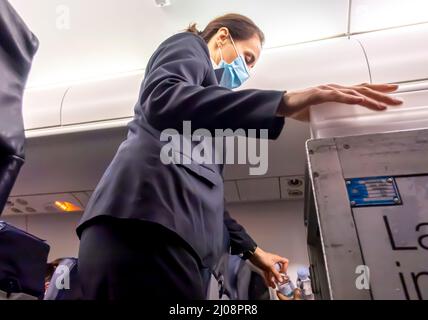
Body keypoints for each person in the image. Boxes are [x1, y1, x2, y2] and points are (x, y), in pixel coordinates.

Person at [76, 13, 402, 300]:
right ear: (221, 37)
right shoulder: (189, 46)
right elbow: (163, 99)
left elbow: (212, 204)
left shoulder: (207, 123)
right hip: (144, 230)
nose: (245, 71)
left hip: (172, 239)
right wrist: (283, 102)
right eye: (247, 58)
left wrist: (254, 252)